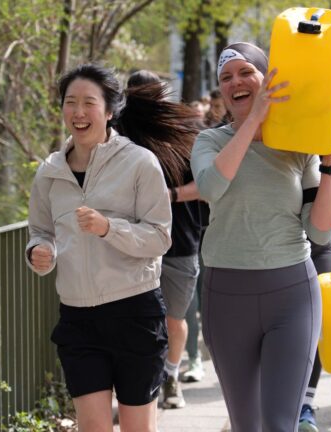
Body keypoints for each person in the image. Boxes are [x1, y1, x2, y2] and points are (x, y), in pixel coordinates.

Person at [191, 42, 331, 431]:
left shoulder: (299, 147)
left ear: (268, 79)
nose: (236, 82)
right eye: (226, 77)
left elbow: (319, 230)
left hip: (292, 293)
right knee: (247, 425)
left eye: (247, 72)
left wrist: (330, 165)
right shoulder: (209, 142)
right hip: (226, 295)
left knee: (281, 423)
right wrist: (253, 122)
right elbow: (211, 187)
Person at [26, 64, 191, 432]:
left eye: (89, 103)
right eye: (71, 102)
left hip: (134, 311)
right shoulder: (50, 172)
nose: (79, 112)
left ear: (110, 110)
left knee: (137, 427)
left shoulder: (139, 163)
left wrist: (108, 228)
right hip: (78, 317)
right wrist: (39, 252)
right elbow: (40, 230)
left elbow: (160, 238)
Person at [125, 70, 204, 409]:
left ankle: (170, 376)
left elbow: (205, 186)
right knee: (136, 319)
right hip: (132, 242)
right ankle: (141, 382)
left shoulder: (185, 134)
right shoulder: (117, 133)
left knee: (174, 318)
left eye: (151, 94)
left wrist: (166, 195)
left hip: (180, 243)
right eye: (138, 95)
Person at [298, 173, 331, 432]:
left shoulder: (323, 142)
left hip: (320, 246)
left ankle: (306, 404)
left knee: (315, 326)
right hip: (277, 247)